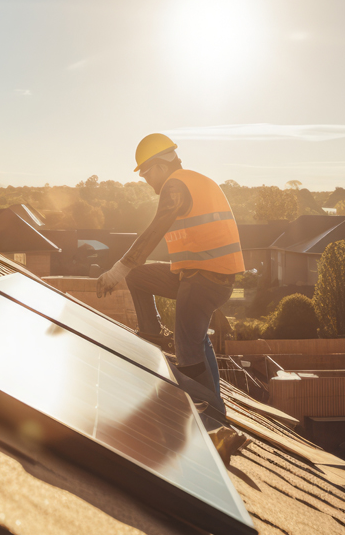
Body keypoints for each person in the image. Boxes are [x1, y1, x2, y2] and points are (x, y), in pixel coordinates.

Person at [95, 134, 244, 412]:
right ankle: (153, 334)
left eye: (146, 173)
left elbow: (154, 231)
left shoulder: (175, 185)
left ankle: (211, 410)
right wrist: (128, 271)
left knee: (187, 350)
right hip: (196, 275)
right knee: (139, 278)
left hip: (205, 278)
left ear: (161, 167)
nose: (146, 180)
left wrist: (116, 270)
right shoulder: (193, 181)